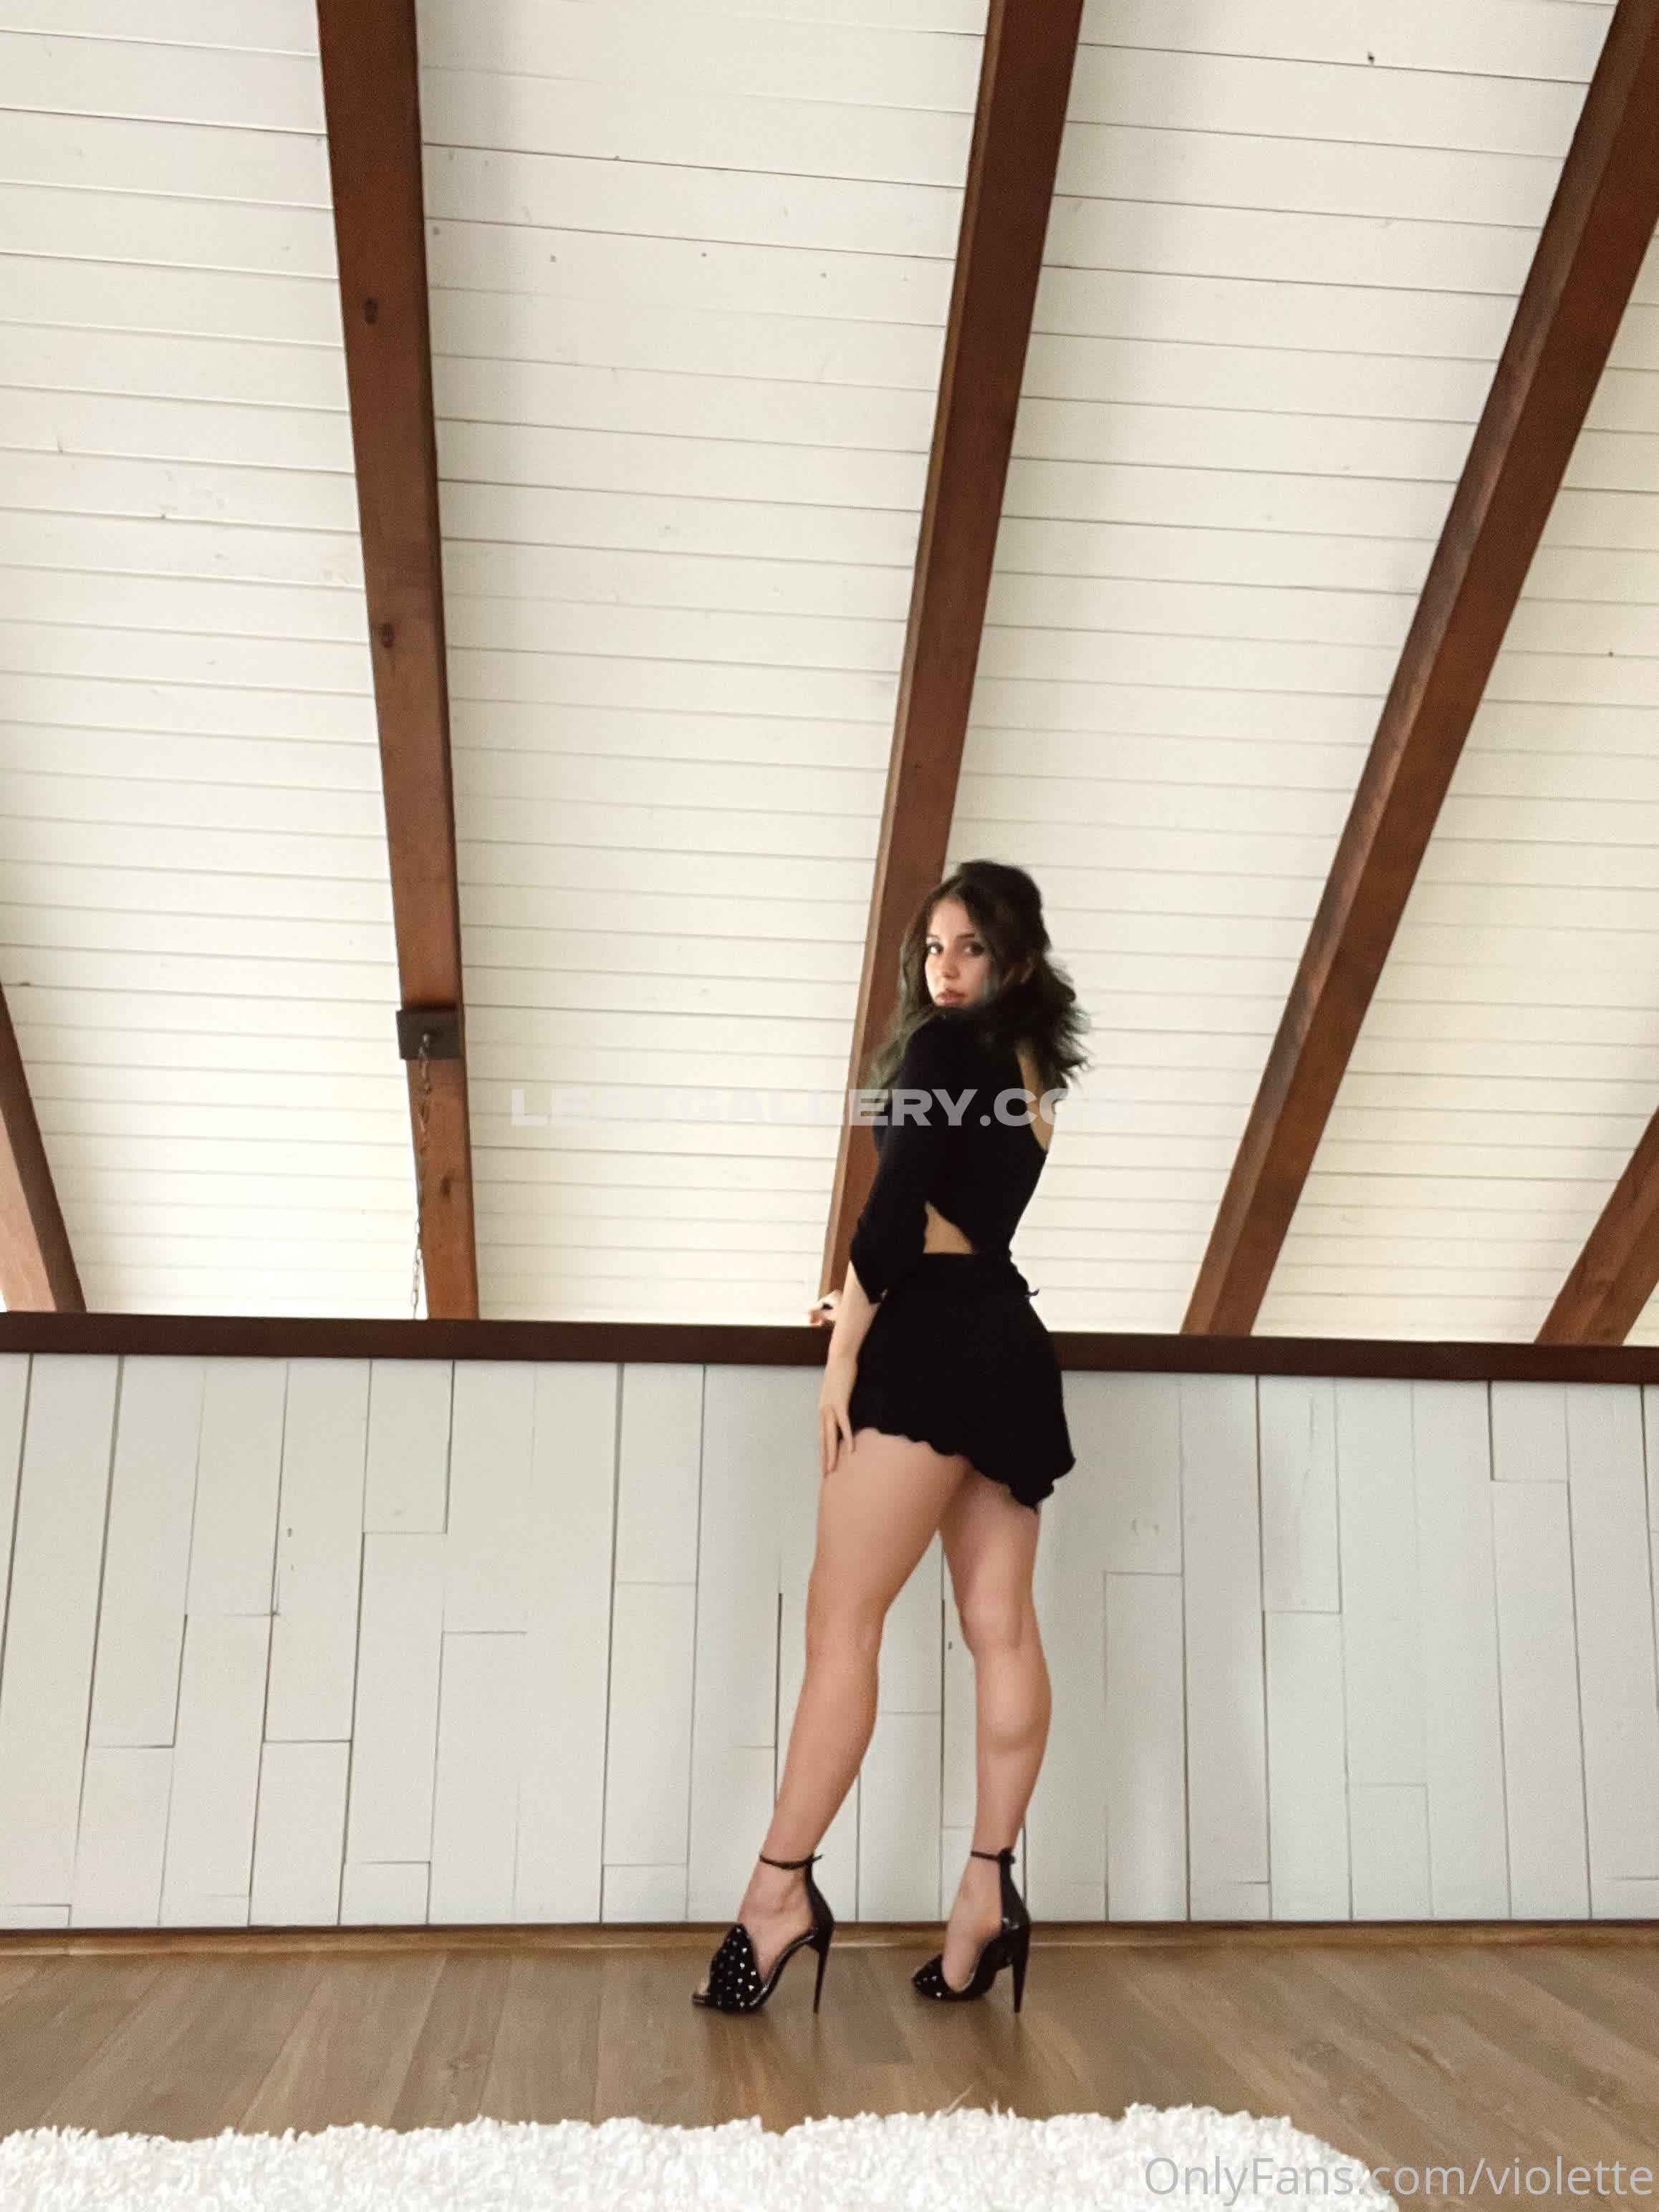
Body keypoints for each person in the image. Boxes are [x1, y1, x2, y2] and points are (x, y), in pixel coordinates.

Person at [692, 860, 1089, 2015]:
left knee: (840, 1627)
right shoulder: (1032, 1068)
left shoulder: (940, 1050)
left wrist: (846, 1352)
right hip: (1008, 1344)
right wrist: (865, 1296)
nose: (944, 969)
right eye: (932, 948)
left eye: (970, 948)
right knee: (1001, 1629)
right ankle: (985, 1899)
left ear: (1015, 957)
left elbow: (898, 1207)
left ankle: (777, 1896)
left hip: (931, 1349)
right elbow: (961, 1220)